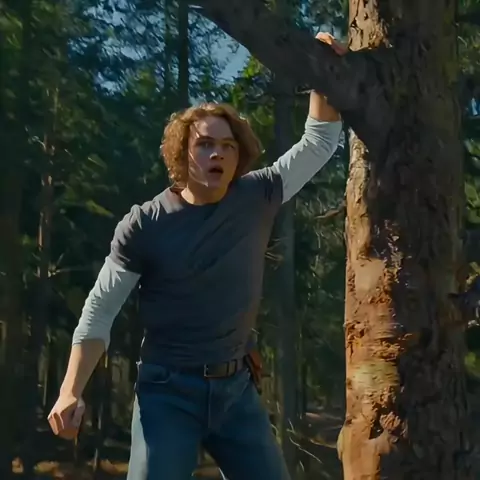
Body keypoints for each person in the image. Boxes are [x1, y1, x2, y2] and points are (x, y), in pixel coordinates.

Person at [48, 32, 346, 480]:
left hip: (236, 391)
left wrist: (322, 67)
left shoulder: (257, 195)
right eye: (206, 144)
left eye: (228, 146)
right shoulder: (146, 224)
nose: (217, 154)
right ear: (182, 153)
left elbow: (319, 143)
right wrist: (70, 390)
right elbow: (99, 313)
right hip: (167, 392)